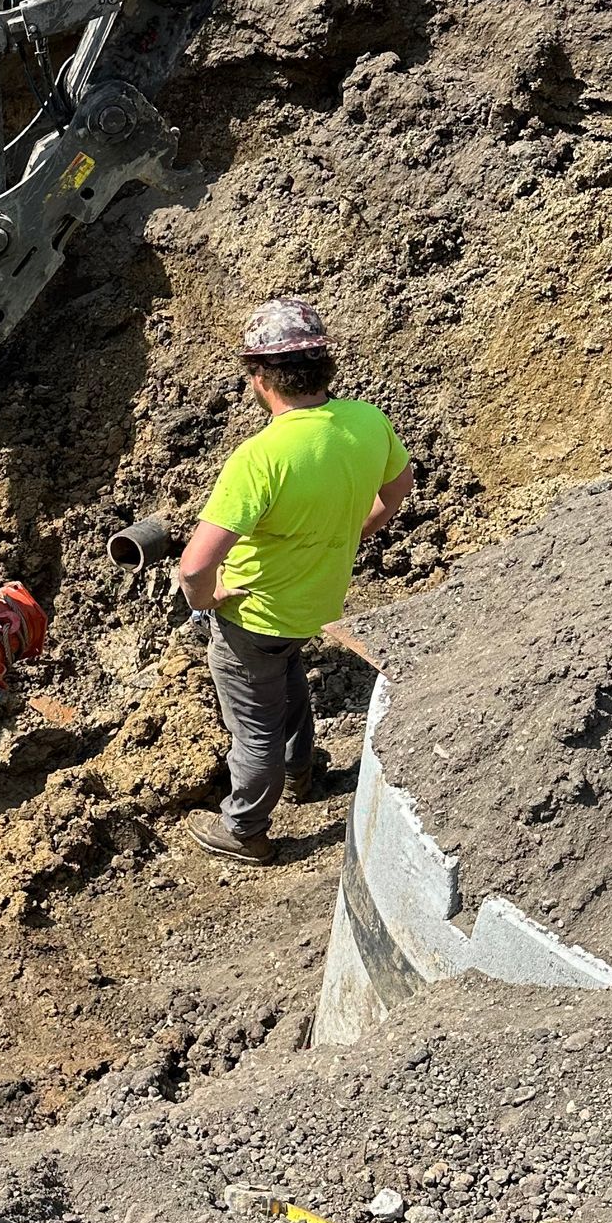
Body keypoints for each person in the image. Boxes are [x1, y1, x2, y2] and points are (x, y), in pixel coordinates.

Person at [175, 299, 413, 864]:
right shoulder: (367, 422)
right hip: (314, 605)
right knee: (287, 680)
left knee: (254, 726)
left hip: (252, 616)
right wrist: (351, 534)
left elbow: (194, 567)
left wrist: (206, 600)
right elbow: (398, 488)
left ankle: (245, 831)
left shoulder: (261, 457)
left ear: (260, 378)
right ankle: (303, 774)